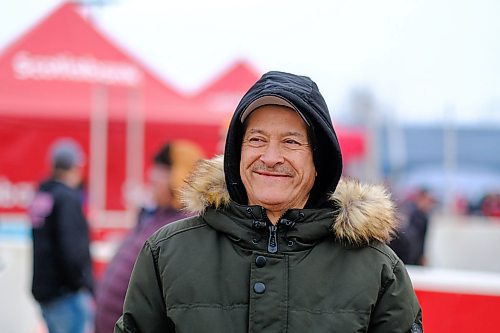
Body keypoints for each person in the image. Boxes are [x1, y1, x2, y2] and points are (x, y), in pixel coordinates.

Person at [115, 71, 423, 332]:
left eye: (290, 141)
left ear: (320, 160)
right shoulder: (166, 252)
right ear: (237, 154)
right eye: (257, 139)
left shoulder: (377, 268)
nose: (271, 158)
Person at [95, 140, 205, 333]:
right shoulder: (153, 216)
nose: (152, 176)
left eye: (161, 170)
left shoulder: (183, 230)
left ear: (179, 176)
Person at [28, 138, 94, 333]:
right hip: (65, 292)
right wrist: (82, 284)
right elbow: (72, 248)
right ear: (75, 167)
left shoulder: (43, 194)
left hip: (46, 290)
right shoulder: (66, 198)